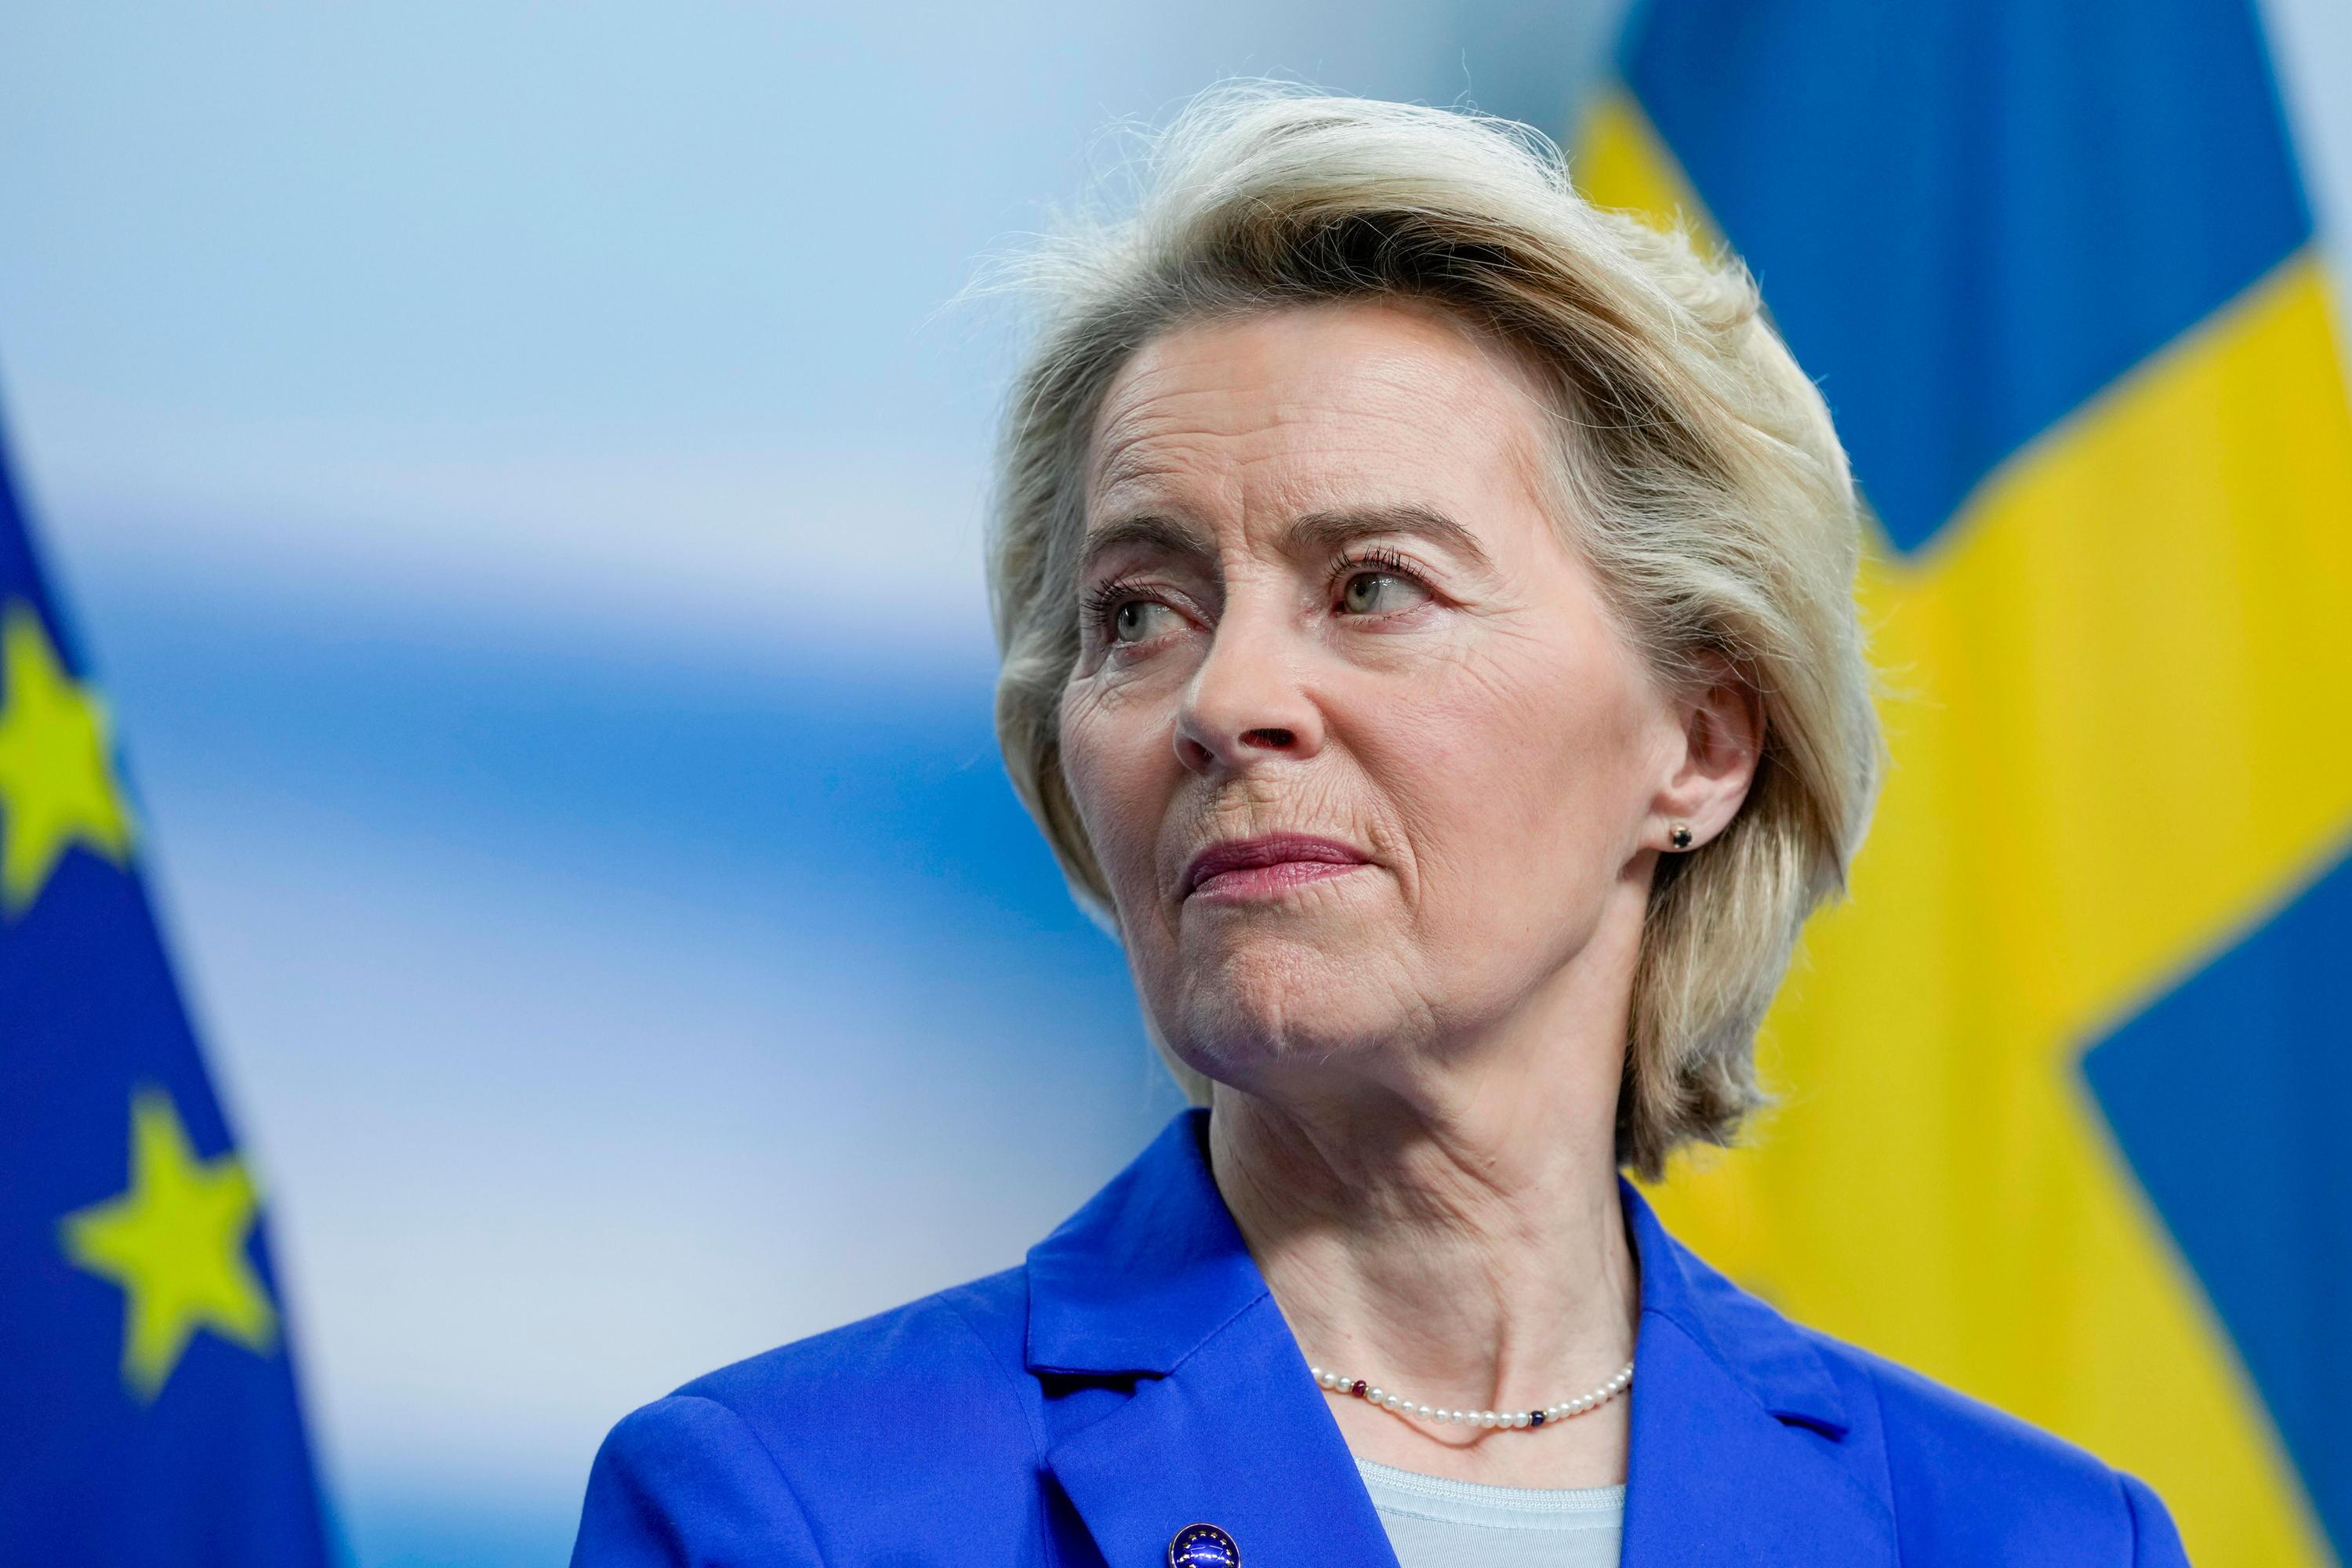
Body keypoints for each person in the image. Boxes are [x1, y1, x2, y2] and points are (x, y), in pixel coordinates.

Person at [569, 85, 2190, 1566]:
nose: (1226, 698)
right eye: (1139, 612)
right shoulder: (787, 1509)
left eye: (1374, 587)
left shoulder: (2044, 1539)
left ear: (1700, 742)